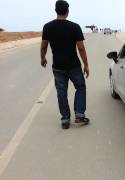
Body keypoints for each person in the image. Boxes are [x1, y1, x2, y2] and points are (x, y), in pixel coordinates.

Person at [40, 0, 90, 129]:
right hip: (73, 65)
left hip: (58, 66)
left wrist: (43, 58)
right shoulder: (74, 26)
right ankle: (79, 114)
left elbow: (44, 46)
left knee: (61, 93)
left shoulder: (47, 27)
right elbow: (81, 48)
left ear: (56, 10)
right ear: (67, 11)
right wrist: (86, 65)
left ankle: (65, 120)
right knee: (80, 87)